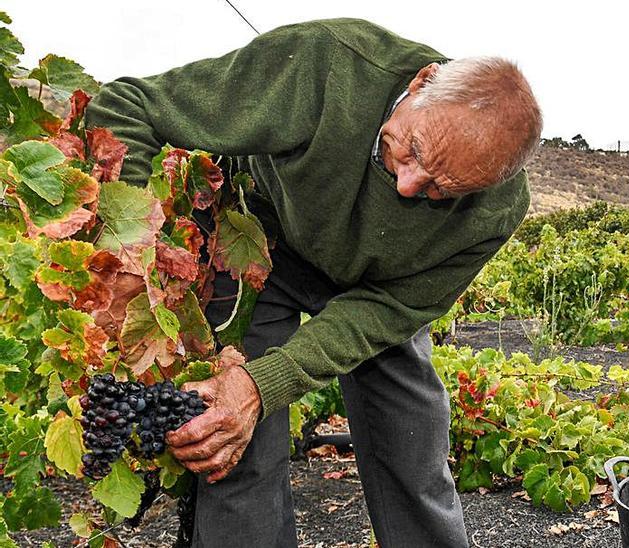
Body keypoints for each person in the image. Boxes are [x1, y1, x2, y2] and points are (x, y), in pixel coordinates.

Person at [85, 19, 541, 548]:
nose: (410, 183)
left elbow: (390, 308)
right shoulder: (327, 65)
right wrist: (128, 261)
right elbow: (129, 107)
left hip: (378, 289)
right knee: (232, 443)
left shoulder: (496, 208)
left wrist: (266, 382)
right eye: (412, 150)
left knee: (413, 449)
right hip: (264, 245)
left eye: (442, 188)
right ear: (420, 83)